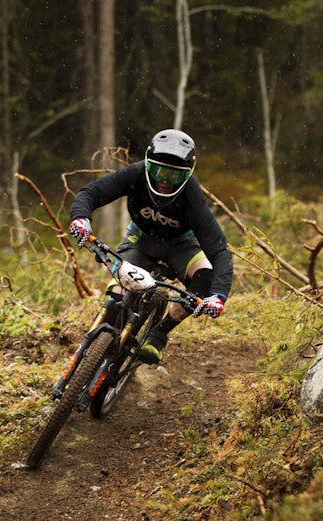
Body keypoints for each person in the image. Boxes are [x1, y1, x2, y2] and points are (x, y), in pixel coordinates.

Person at [68, 129, 232, 364]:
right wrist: (81, 219)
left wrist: (218, 296)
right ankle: (93, 351)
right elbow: (92, 193)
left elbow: (219, 250)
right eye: (159, 171)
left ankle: (160, 334)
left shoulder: (191, 196)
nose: (165, 180)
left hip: (181, 245)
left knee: (205, 277)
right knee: (118, 295)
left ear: (187, 175)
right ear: (147, 164)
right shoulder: (136, 174)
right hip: (141, 240)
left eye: (174, 176)